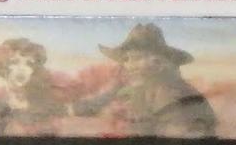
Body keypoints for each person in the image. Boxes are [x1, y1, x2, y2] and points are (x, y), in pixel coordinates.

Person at [73, 23, 217, 137]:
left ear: (158, 62)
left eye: (136, 58)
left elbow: (181, 136)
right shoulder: (138, 86)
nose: (128, 65)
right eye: (126, 59)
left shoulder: (170, 91)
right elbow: (83, 109)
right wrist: (113, 90)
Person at [0, 37, 70, 135]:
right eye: (15, 62)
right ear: (4, 66)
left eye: (29, 64)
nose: (22, 69)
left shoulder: (45, 100)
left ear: (34, 70)